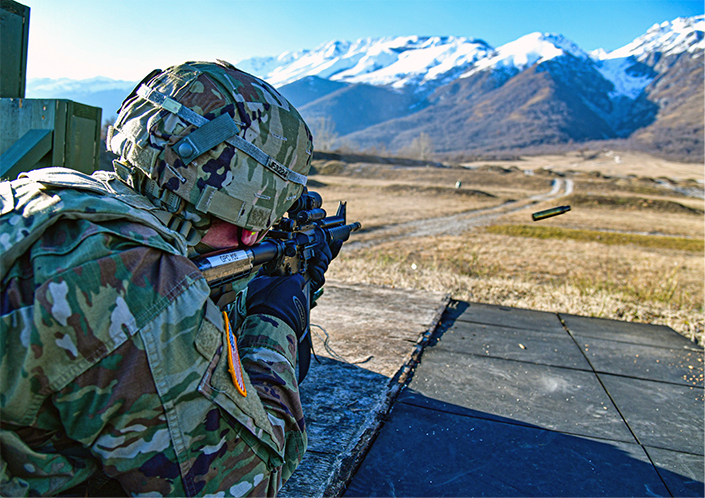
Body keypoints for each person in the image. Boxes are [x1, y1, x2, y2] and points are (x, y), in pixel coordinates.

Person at [0, 61, 335, 496]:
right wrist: (277, 319)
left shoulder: (43, 195)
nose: (255, 237)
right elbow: (245, 483)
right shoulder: (140, 282)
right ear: (249, 214)